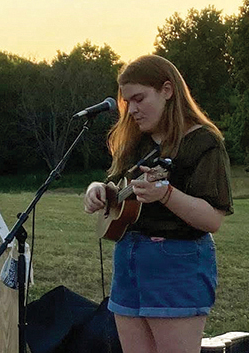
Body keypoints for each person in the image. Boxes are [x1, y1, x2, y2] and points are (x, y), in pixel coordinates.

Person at [83, 54, 233, 353]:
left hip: (176, 264)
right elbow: (118, 186)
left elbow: (212, 219)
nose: (132, 110)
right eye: (127, 102)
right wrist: (97, 189)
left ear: (167, 90)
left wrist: (165, 194)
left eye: (139, 98)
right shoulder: (137, 142)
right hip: (129, 261)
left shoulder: (203, 143)